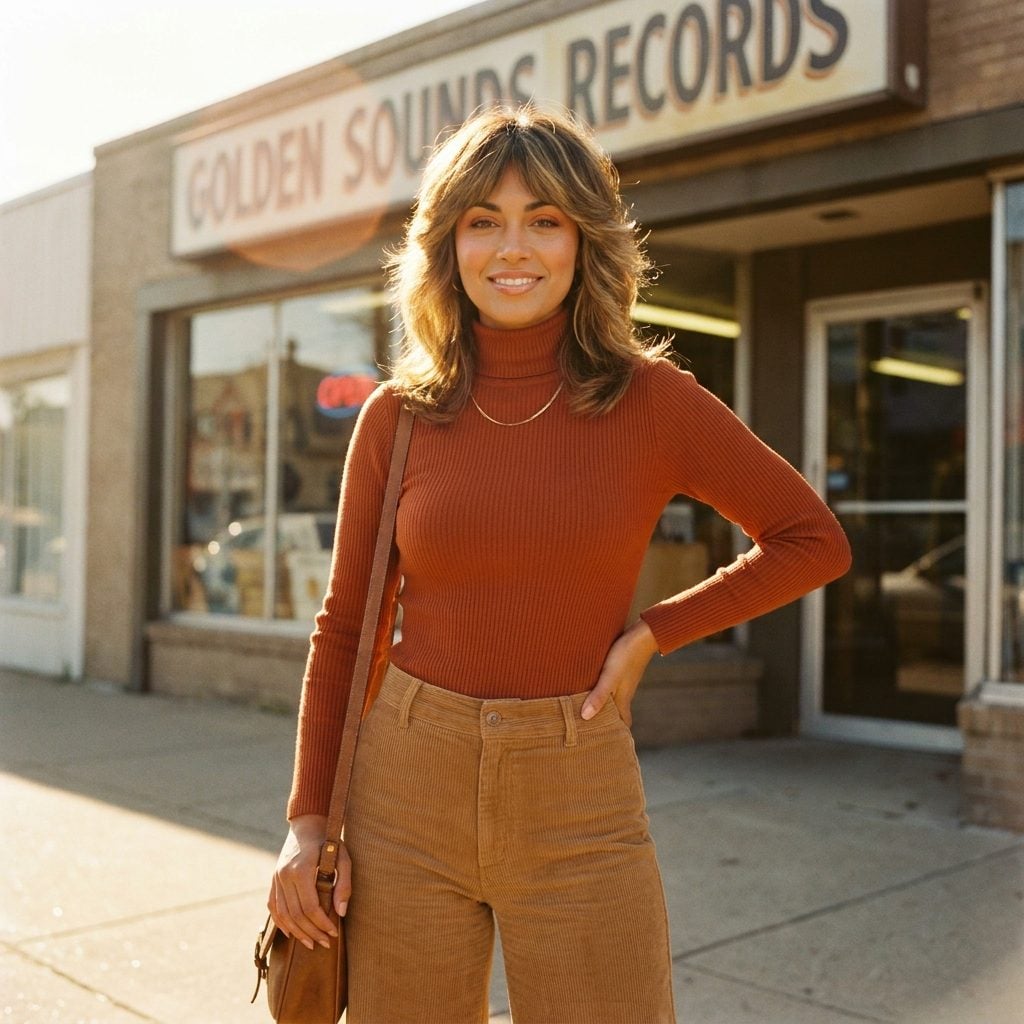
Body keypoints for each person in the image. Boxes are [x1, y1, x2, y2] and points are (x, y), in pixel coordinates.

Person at [268, 104, 851, 1024]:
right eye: (483, 221)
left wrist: (656, 633)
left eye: (545, 220)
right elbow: (346, 626)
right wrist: (306, 826)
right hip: (406, 781)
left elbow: (811, 539)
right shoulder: (397, 416)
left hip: (577, 784)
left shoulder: (653, 401)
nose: (514, 249)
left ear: (585, 242)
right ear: (447, 244)